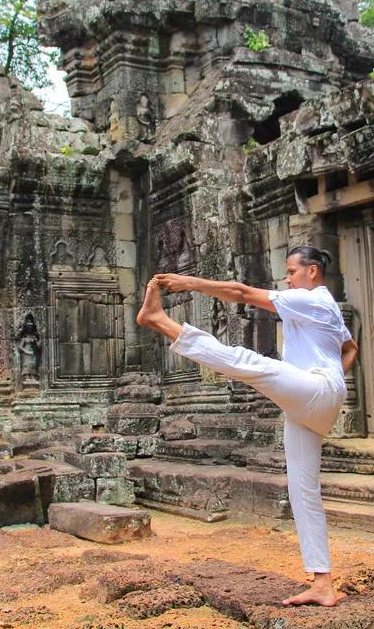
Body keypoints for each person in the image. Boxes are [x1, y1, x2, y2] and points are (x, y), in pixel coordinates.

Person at [136, 246, 359, 607]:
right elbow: (351, 349)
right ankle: (322, 583)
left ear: (312, 271)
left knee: (249, 362)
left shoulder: (313, 300)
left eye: (291, 272)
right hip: (318, 397)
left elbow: (241, 293)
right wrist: (330, 386)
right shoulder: (324, 308)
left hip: (317, 390)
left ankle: (160, 320)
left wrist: (186, 282)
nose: (287, 279)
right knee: (304, 491)